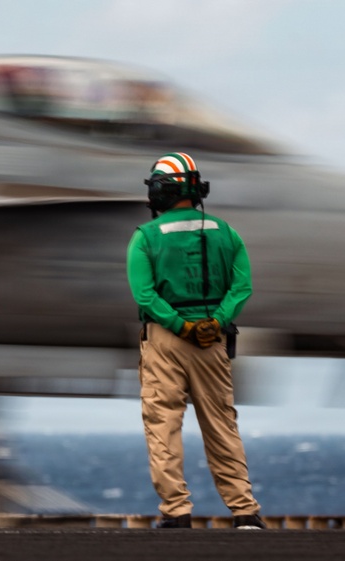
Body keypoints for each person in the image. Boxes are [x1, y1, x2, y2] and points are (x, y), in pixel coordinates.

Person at [126, 152, 265, 530]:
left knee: (163, 424)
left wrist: (179, 325)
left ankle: (176, 512)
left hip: (163, 340)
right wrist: (215, 321)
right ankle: (245, 512)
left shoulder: (145, 237)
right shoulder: (226, 232)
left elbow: (144, 295)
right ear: (195, 189)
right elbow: (242, 287)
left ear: (163, 192)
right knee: (221, 423)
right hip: (212, 341)